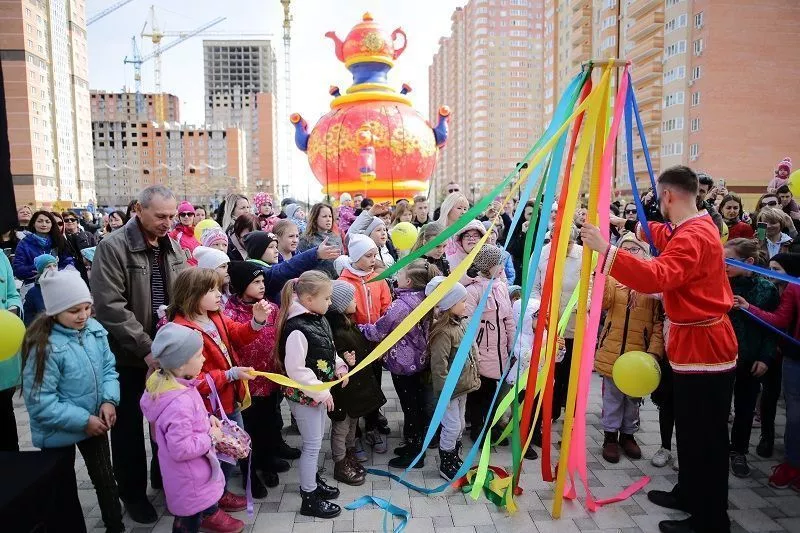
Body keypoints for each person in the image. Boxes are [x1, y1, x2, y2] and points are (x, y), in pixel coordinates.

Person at [581, 165, 738, 533]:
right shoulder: (692, 226)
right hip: (692, 345)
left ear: (667, 196)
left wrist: (607, 251)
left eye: (659, 200)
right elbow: (664, 232)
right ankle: (689, 494)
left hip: (706, 350)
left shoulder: (694, 235)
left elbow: (657, 275)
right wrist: (627, 225)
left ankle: (711, 520)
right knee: (689, 428)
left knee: (706, 438)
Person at [91, 185, 189, 524]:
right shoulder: (113, 246)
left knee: (167, 421)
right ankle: (132, 493)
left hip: (168, 354)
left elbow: (182, 296)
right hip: (128, 357)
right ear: (139, 210)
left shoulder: (174, 247)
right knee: (129, 429)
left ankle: (162, 476)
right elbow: (110, 307)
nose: (168, 223)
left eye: (172, 216)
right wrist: (147, 349)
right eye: (161, 216)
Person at [21, 268, 124, 532]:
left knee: (105, 478)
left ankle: (116, 525)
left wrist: (109, 401)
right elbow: (40, 402)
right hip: (59, 431)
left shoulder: (95, 331)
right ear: (55, 311)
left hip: (96, 422)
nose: (83, 316)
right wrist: (82, 420)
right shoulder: (44, 345)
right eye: (74, 310)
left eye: (87, 308)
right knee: (61, 487)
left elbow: (108, 369)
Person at [167, 267, 268, 506]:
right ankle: (211, 503)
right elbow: (192, 379)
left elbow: (237, 335)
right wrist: (229, 374)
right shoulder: (181, 330)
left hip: (228, 400)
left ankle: (219, 493)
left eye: (218, 288)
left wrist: (256, 321)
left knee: (232, 449)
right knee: (213, 455)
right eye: (211, 290)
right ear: (192, 295)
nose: (218, 295)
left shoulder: (215, 316)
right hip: (207, 408)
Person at [139, 323, 245, 533]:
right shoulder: (178, 402)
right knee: (188, 523)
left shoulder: (178, 385)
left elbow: (189, 421)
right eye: (198, 355)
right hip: (190, 479)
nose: (204, 359)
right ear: (180, 364)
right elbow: (181, 448)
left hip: (190, 476)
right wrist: (211, 437)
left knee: (190, 517)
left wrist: (207, 419)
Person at [224, 261, 300, 493]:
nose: (261, 286)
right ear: (240, 285)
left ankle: (267, 461)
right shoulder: (230, 313)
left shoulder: (271, 309)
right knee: (249, 429)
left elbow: (278, 337)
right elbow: (234, 342)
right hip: (247, 384)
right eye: (255, 282)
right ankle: (249, 472)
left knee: (269, 423)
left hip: (270, 379)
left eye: (262, 281)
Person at [275, 271, 345, 519]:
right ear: (306, 298)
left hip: (316, 394)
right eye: (326, 298)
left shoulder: (317, 318)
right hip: (306, 397)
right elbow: (297, 370)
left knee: (315, 443)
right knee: (313, 446)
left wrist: (340, 366)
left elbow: (327, 348)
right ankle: (309, 497)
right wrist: (322, 391)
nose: (330, 303)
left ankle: (313, 481)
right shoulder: (297, 328)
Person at [360, 259, 440, 468]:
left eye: (401, 273)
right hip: (420, 361)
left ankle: (415, 454)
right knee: (417, 404)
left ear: (409, 282)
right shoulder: (425, 298)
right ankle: (415, 446)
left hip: (404, 365)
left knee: (410, 407)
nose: (397, 276)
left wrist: (359, 328)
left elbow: (379, 330)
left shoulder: (401, 305)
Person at [595, 233, 665, 463]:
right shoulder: (614, 280)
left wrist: (654, 351)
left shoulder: (652, 286)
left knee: (633, 399)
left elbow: (657, 323)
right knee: (612, 398)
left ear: (645, 254)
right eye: (624, 249)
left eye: (634, 249)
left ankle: (628, 435)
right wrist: (603, 274)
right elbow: (603, 304)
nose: (629, 252)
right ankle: (610, 438)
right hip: (613, 351)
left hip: (639, 355)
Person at [733, 253, 800, 490]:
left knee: (751, 408)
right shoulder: (794, 288)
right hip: (793, 359)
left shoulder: (776, 288)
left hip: (763, 359)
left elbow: (776, 324)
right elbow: (781, 320)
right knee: (794, 416)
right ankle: (792, 464)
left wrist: (765, 357)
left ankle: (743, 452)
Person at [724, 238, 780, 478]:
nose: (724, 265)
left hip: (751, 358)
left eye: (729, 260)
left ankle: (738, 450)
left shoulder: (766, 289)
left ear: (749, 261)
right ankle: (715, 450)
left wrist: (766, 358)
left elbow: (773, 327)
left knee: (745, 408)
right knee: (718, 406)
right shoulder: (720, 283)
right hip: (721, 357)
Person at [325, 280, 386, 484]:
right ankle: (340, 462)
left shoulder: (348, 325)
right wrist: (345, 360)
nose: (355, 302)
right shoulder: (338, 331)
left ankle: (349, 455)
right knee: (341, 428)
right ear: (340, 305)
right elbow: (336, 358)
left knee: (352, 425)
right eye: (351, 299)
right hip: (345, 392)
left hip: (355, 389)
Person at [427, 276, 480, 480]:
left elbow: (471, 353)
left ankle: (454, 455)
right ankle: (446, 463)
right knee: (452, 426)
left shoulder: (462, 324)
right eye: (462, 301)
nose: (466, 305)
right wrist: (444, 393)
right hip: (449, 391)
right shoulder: (442, 333)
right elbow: (439, 366)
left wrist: (474, 376)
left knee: (459, 424)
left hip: (463, 386)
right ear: (450, 305)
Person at [531, 226, 582, 423]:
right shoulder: (542, 254)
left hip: (572, 324)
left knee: (568, 369)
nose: (565, 247)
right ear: (552, 237)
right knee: (550, 367)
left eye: (569, 243)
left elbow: (589, 286)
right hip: (547, 323)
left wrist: (580, 305)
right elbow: (534, 286)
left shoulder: (582, 255)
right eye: (561, 242)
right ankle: (548, 411)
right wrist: (539, 311)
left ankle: (567, 409)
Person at [464, 245, 514, 443]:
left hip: (500, 351)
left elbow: (508, 317)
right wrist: (472, 350)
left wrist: (512, 343)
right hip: (481, 351)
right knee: (480, 394)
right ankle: (478, 428)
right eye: (497, 263)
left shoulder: (501, 286)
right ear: (486, 266)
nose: (501, 267)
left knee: (494, 394)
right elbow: (466, 323)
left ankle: (491, 426)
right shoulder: (473, 291)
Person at [243, 230, 340, 304]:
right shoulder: (256, 271)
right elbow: (284, 270)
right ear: (258, 250)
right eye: (271, 247)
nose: (276, 251)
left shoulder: (270, 265)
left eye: (276, 246)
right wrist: (315, 254)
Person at [13, 210, 74, 287]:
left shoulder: (59, 241)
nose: (44, 224)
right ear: (33, 224)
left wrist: (55, 271)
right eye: (40, 221)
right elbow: (18, 270)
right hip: (33, 286)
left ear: (52, 224)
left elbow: (68, 262)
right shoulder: (24, 243)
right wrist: (41, 268)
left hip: (58, 284)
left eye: (47, 222)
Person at [0, 251, 22, 452]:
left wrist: (13, 309)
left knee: (5, 412)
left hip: (3, 350)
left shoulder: (0, 255)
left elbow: (12, 294)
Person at [346, 202, 398, 269]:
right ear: (368, 234)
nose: (383, 233)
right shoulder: (362, 252)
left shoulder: (388, 248)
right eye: (378, 230)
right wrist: (370, 213)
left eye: (384, 230)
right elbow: (351, 235)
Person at [299, 203, 343, 278]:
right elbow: (303, 264)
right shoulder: (306, 240)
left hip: (338, 279)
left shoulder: (336, 237)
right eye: (324, 216)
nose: (328, 219)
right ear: (315, 218)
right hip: (318, 282)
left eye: (330, 216)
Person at [22, 254, 58, 326]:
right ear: (41, 270)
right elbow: (28, 320)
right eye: (48, 266)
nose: (52, 269)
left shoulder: (64, 288)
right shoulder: (33, 293)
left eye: (55, 265)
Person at [62, 210, 97, 283]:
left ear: (77, 222)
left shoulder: (88, 235)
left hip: (90, 272)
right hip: (72, 274)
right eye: (66, 220)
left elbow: (96, 253)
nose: (70, 221)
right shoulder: (62, 238)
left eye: (72, 219)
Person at [169, 201, 201, 266]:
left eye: (189, 214)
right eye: (183, 215)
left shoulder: (199, 231)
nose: (186, 217)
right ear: (179, 217)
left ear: (193, 216)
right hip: (184, 270)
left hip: (199, 269)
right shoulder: (174, 234)